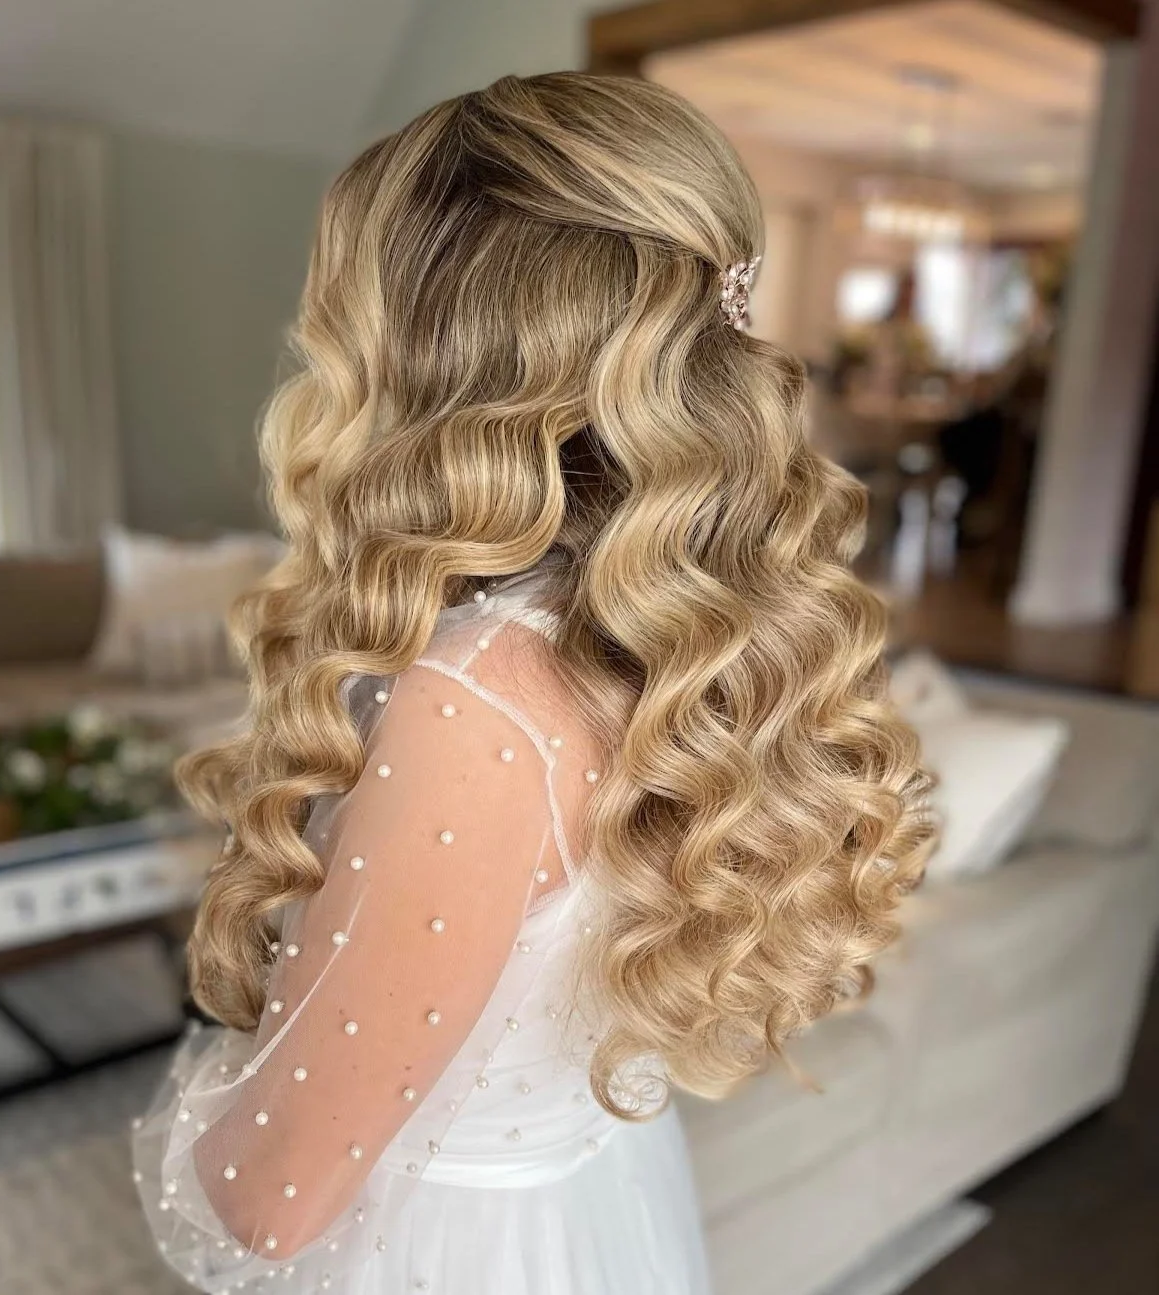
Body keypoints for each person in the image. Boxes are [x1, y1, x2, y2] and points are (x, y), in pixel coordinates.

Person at [134, 72, 934, 1295]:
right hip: (594, 1198)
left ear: (426, 342)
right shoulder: (683, 637)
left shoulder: (483, 696)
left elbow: (273, 1203)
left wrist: (214, 1079)